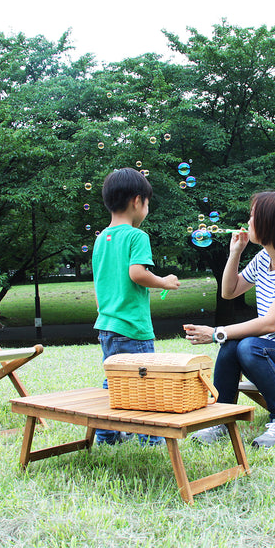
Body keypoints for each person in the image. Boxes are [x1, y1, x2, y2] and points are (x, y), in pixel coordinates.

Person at [183, 191, 275, 448]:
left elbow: (271, 323)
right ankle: (221, 420)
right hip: (268, 357)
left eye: (252, 217)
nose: (247, 222)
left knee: (246, 344)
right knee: (233, 345)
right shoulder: (263, 260)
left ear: (270, 223)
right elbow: (229, 291)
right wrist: (235, 252)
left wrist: (216, 332)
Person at [92, 167, 180, 445]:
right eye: (148, 203)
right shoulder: (136, 236)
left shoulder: (100, 239)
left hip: (106, 325)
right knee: (145, 381)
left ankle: (107, 434)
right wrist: (164, 281)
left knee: (114, 381)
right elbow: (137, 274)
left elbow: (100, 285)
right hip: (132, 327)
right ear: (137, 201)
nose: (148, 209)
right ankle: (150, 438)